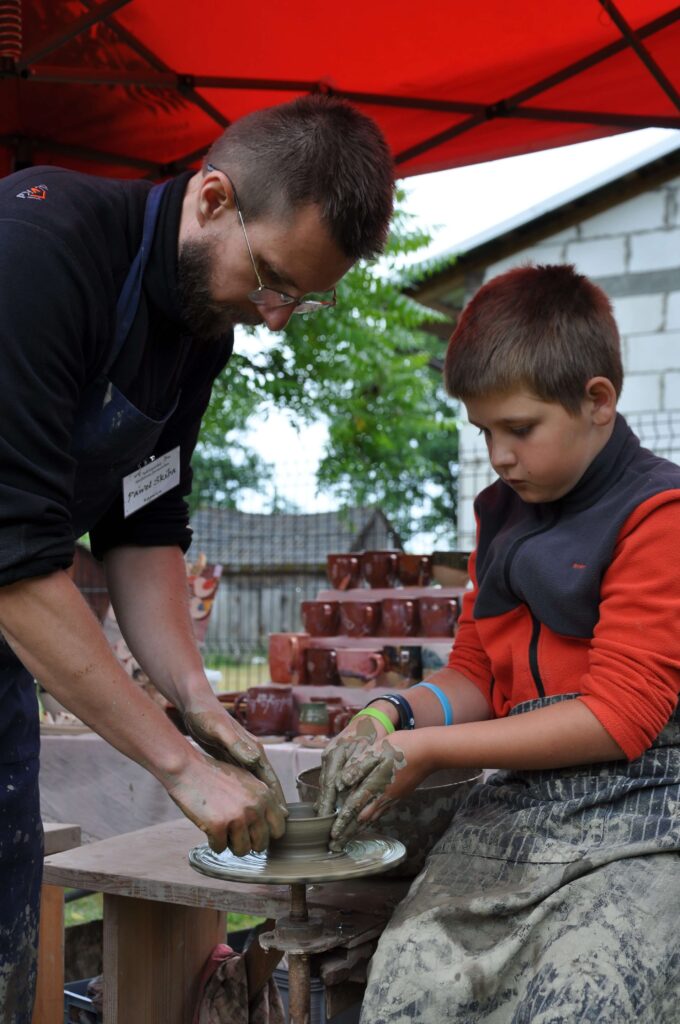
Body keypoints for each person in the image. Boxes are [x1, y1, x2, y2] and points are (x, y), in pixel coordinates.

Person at [0, 95, 394, 1022]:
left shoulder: (196, 329)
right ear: (213, 197)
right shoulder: (37, 252)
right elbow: (15, 565)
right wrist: (181, 766)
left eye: (302, 296)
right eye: (272, 281)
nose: (278, 317)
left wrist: (198, 700)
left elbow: (142, 525)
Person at [317, 264, 680, 1023]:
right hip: (523, 805)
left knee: (585, 991)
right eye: (485, 432)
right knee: (417, 978)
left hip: (649, 801)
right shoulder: (506, 514)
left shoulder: (658, 515)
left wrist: (436, 753)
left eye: (519, 429)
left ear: (597, 402)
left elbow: (620, 717)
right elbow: (477, 670)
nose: (500, 456)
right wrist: (393, 716)